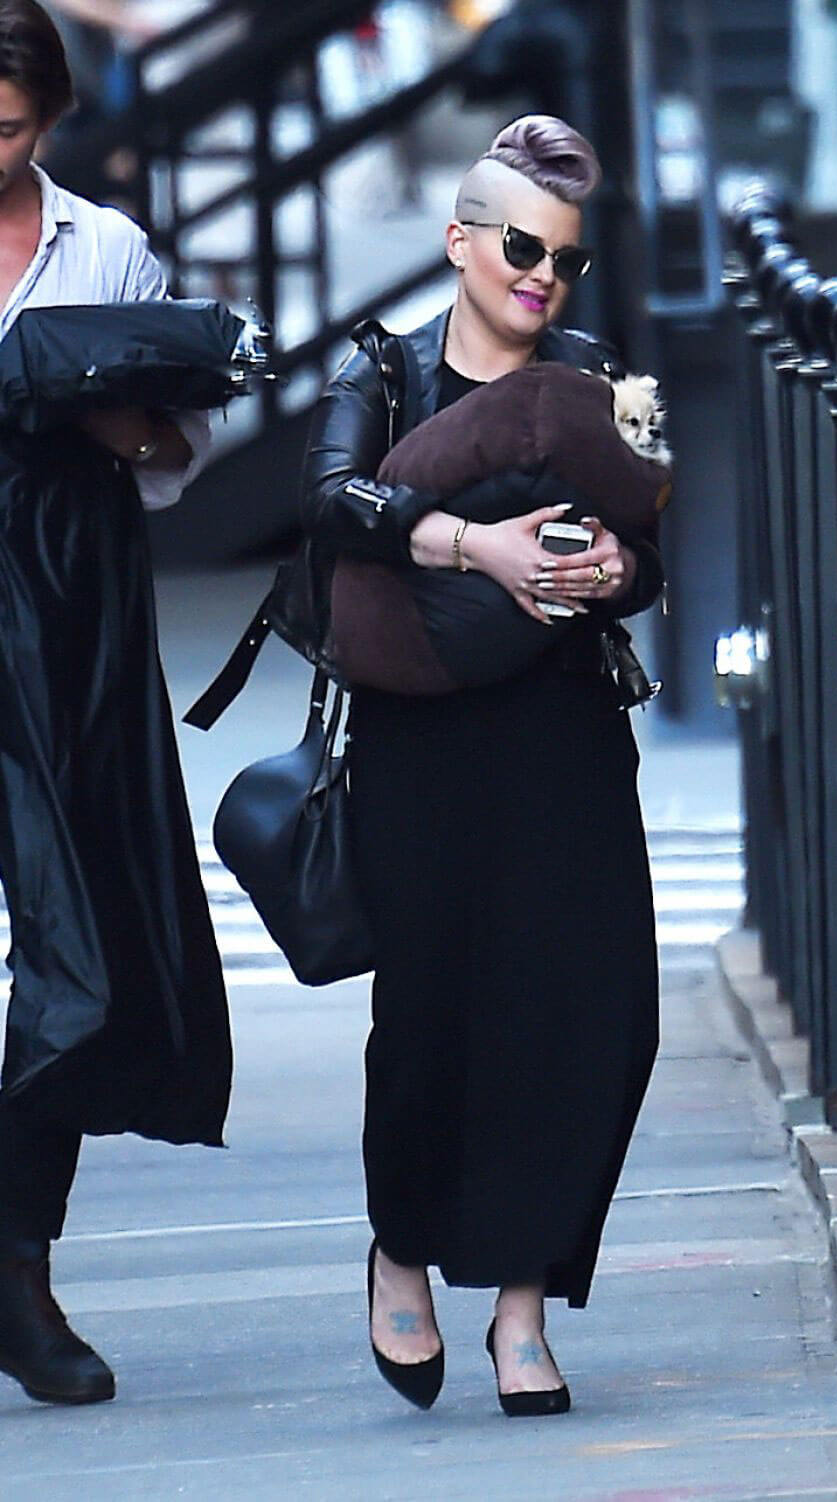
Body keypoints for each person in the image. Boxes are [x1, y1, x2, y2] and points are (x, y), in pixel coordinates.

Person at [301, 114, 662, 1415]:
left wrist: (617, 571)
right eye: (519, 247)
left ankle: (523, 1305)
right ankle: (401, 1245)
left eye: (563, 258)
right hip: (422, 741)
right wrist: (473, 545)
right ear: (460, 240)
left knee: (589, 1016)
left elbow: (654, 530)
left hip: (562, 731)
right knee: (432, 1026)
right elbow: (331, 500)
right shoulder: (383, 373)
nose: (541, 278)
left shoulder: (606, 372)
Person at [0, 0, 231, 1407]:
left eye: (11, 125)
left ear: (52, 116)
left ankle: (21, 1267)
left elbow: (178, 444)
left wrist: (109, 415)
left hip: (68, 594)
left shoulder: (110, 248)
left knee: (78, 949)